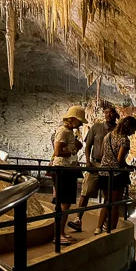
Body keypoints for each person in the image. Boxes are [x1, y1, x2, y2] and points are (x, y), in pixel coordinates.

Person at [68, 105, 119, 232]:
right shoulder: (96, 128)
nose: (108, 115)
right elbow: (88, 145)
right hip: (96, 164)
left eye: (111, 113)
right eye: (106, 113)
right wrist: (87, 160)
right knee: (86, 191)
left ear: (115, 115)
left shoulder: (118, 130)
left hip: (110, 166)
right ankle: (78, 219)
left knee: (108, 195)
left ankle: (104, 223)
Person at [95, 116, 136, 235]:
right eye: (134, 129)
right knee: (115, 204)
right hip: (116, 174)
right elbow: (119, 161)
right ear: (129, 128)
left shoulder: (108, 136)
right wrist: (128, 167)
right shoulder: (124, 140)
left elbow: (104, 155)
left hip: (103, 172)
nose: (134, 132)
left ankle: (98, 228)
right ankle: (111, 230)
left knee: (106, 201)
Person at [51, 105, 86, 245]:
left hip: (68, 169)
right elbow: (58, 152)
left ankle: (62, 232)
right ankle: (57, 235)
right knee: (63, 203)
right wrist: (72, 151)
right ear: (72, 119)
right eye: (79, 121)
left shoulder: (70, 132)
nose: (81, 124)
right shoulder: (63, 131)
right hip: (62, 169)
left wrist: (75, 146)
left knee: (67, 203)